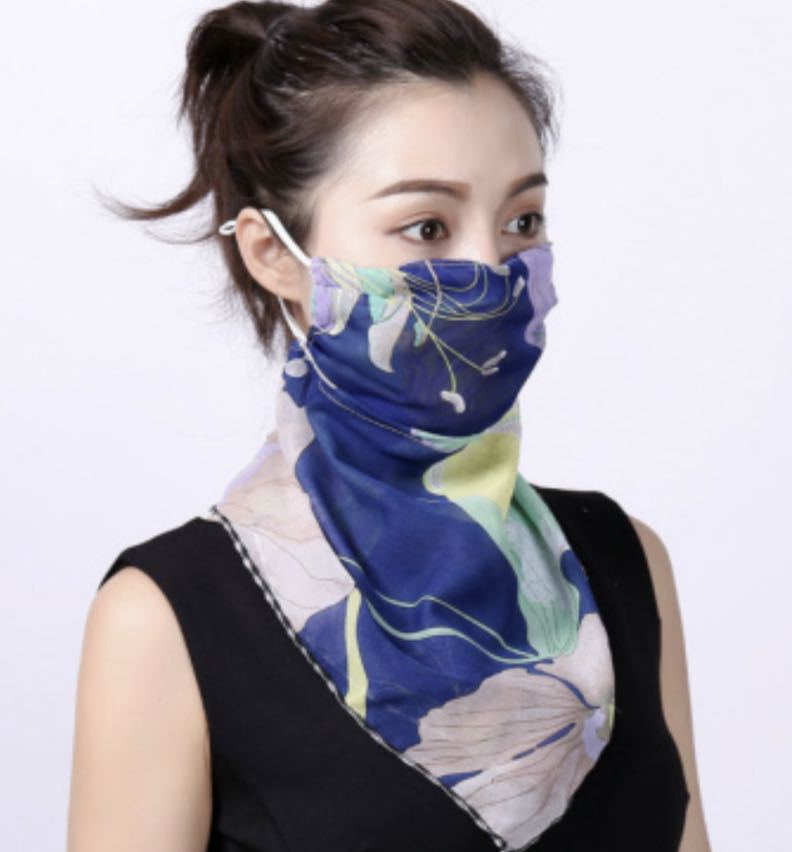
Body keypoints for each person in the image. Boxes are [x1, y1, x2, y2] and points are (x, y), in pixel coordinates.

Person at [67, 2, 711, 851]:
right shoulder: (167, 619)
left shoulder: (624, 560)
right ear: (273, 254)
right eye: (426, 227)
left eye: (521, 221)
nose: (489, 271)